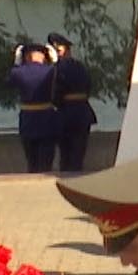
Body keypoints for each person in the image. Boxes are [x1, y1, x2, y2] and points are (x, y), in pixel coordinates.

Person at [48, 32, 98, 172]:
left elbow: (55, 93)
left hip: (65, 113)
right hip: (82, 112)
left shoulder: (56, 69)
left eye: (58, 50)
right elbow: (88, 87)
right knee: (78, 152)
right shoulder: (80, 66)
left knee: (66, 153)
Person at [9, 42, 60, 173]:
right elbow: (61, 77)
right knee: (46, 159)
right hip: (47, 118)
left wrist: (16, 63)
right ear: (44, 56)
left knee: (31, 160)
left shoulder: (18, 72)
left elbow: (9, 81)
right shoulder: (51, 70)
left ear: (26, 56)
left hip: (28, 118)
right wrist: (56, 62)